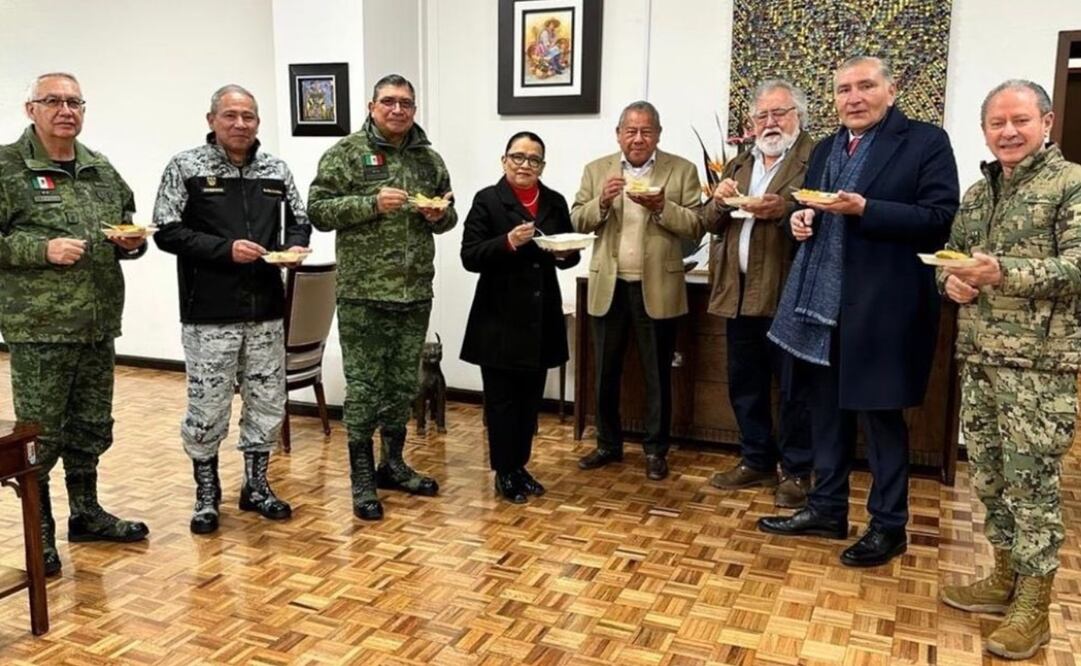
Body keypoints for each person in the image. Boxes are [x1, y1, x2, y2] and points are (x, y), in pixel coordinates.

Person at [758, 56, 960, 567]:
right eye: (844, 89)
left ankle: (889, 526)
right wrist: (801, 221)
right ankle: (827, 508)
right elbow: (816, 211)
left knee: (881, 419)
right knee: (825, 413)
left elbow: (939, 219)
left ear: (890, 91)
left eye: (865, 86)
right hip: (823, 309)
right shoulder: (826, 148)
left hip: (885, 309)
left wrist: (865, 209)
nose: (854, 97)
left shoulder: (925, 142)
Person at [938, 80, 1081, 661]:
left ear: (1046, 123)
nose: (1009, 132)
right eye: (997, 123)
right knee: (991, 477)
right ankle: (1003, 577)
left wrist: (1005, 274)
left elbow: (1077, 268)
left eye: (1020, 120)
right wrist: (947, 280)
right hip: (980, 358)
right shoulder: (976, 194)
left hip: (1040, 368)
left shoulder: (1071, 185)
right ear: (985, 131)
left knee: (1033, 487)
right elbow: (949, 257)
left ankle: (1035, 608)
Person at [0, 72, 150, 576]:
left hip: (97, 323)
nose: (66, 110)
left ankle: (85, 513)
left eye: (74, 102)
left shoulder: (99, 168)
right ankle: (39, 534)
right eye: (54, 101)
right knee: (41, 438)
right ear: (31, 109)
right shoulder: (6, 168)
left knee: (90, 428)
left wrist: (133, 242)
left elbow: (127, 221)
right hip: (40, 328)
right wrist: (40, 249)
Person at [154, 84, 311, 534]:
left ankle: (256, 486)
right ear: (212, 120)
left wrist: (294, 247)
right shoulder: (186, 167)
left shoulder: (275, 170)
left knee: (266, 402)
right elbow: (167, 230)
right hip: (209, 313)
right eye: (231, 116)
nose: (241, 124)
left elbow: (300, 219)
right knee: (207, 408)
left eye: (249, 117)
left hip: (266, 309)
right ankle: (207, 494)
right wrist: (225, 250)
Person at [308, 74, 456, 521]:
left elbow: (449, 215)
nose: (397, 110)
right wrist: (371, 203)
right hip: (364, 295)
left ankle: (392, 463)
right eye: (388, 102)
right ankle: (361, 478)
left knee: (402, 386)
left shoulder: (429, 159)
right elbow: (318, 210)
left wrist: (439, 214)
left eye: (406, 103)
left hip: (413, 293)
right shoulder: (346, 154)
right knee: (366, 388)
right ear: (372, 106)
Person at [571, 100, 703, 481]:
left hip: (657, 286)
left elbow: (696, 225)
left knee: (657, 372)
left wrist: (663, 207)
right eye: (631, 131)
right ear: (618, 134)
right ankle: (607, 445)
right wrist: (602, 201)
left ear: (658, 134)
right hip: (608, 284)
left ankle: (656, 449)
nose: (638, 138)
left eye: (646, 131)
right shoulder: (597, 170)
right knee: (605, 370)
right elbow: (577, 218)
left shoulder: (681, 170)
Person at [703, 79, 814, 508]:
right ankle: (755, 459)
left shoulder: (813, 158)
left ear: (798, 117)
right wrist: (717, 199)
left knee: (794, 388)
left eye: (779, 113)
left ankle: (798, 471)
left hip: (787, 293)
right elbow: (711, 222)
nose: (770, 123)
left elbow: (819, 212)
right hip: (737, 293)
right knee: (744, 383)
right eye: (762, 116)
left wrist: (782, 209)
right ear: (751, 123)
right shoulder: (739, 164)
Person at [460, 132, 580, 503]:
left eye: (534, 159)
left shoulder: (555, 201)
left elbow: (569, 251)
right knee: (501, 401)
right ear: (504, 160)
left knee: (530, 401)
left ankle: (520, 466)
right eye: (518, 157)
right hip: (498, 319)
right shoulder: (488, 200)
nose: (525, 165)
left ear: (542, 165)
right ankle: (504, 471)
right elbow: (470, 256)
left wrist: (564, 255)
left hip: (540, 318)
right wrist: (508, 242)